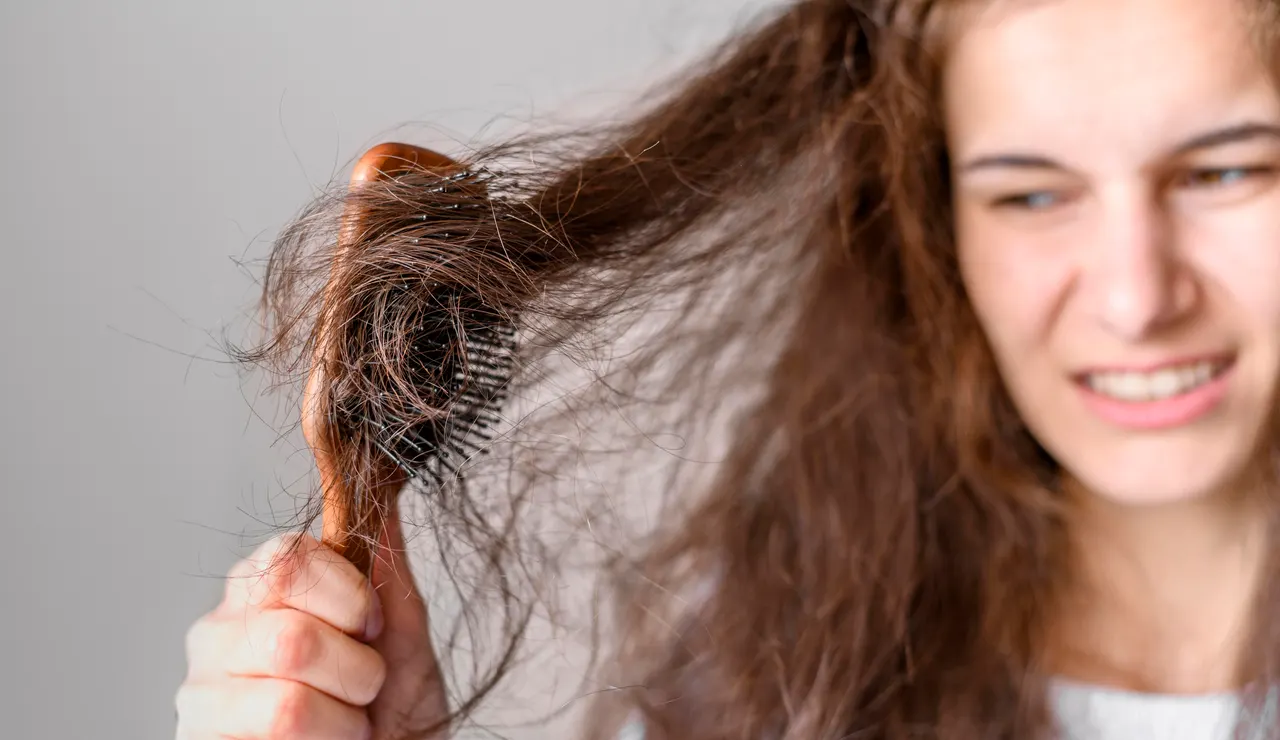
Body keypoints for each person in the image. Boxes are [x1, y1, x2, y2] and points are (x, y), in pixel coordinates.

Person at [174, 0, 1280, 737]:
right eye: (1028, 194)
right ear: (935, 228)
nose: (1137, 299)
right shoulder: (781, 665)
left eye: (1224, 171)